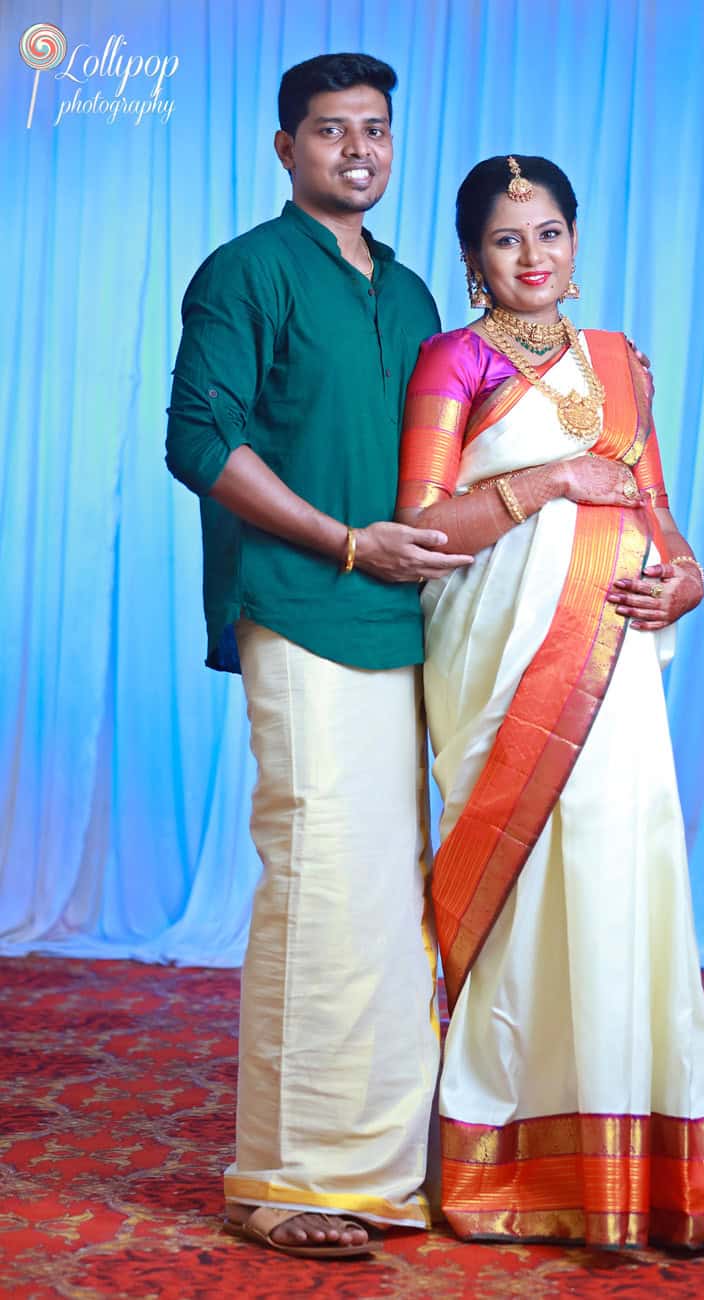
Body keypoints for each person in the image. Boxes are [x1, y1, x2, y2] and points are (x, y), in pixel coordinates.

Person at [165, 53, 473, 1258]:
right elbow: (202, 441)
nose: (358, 150)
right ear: (285, 148)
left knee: (390, 902)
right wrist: (345, 542)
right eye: (332, 131)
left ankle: (380, 1171)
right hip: (299, 601)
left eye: (377, 132)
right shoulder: (245, 271)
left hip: (404, 623)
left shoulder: (409, 296)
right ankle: (284, 1179)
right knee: (318, 885)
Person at [395, 155, 704, 1251]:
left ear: (575, 244)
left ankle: (627, 1167)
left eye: (548, 234)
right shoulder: (452, 358)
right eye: (505, 239)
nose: (531, 257)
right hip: (499, 668)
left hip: (614, 657)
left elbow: (655, 507)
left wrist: (683, 574)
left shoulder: (619, 364)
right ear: (472, 256)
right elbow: (422, 531)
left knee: (622, 867)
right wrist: (543, 483)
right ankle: (505, 1157)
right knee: (536, 879)